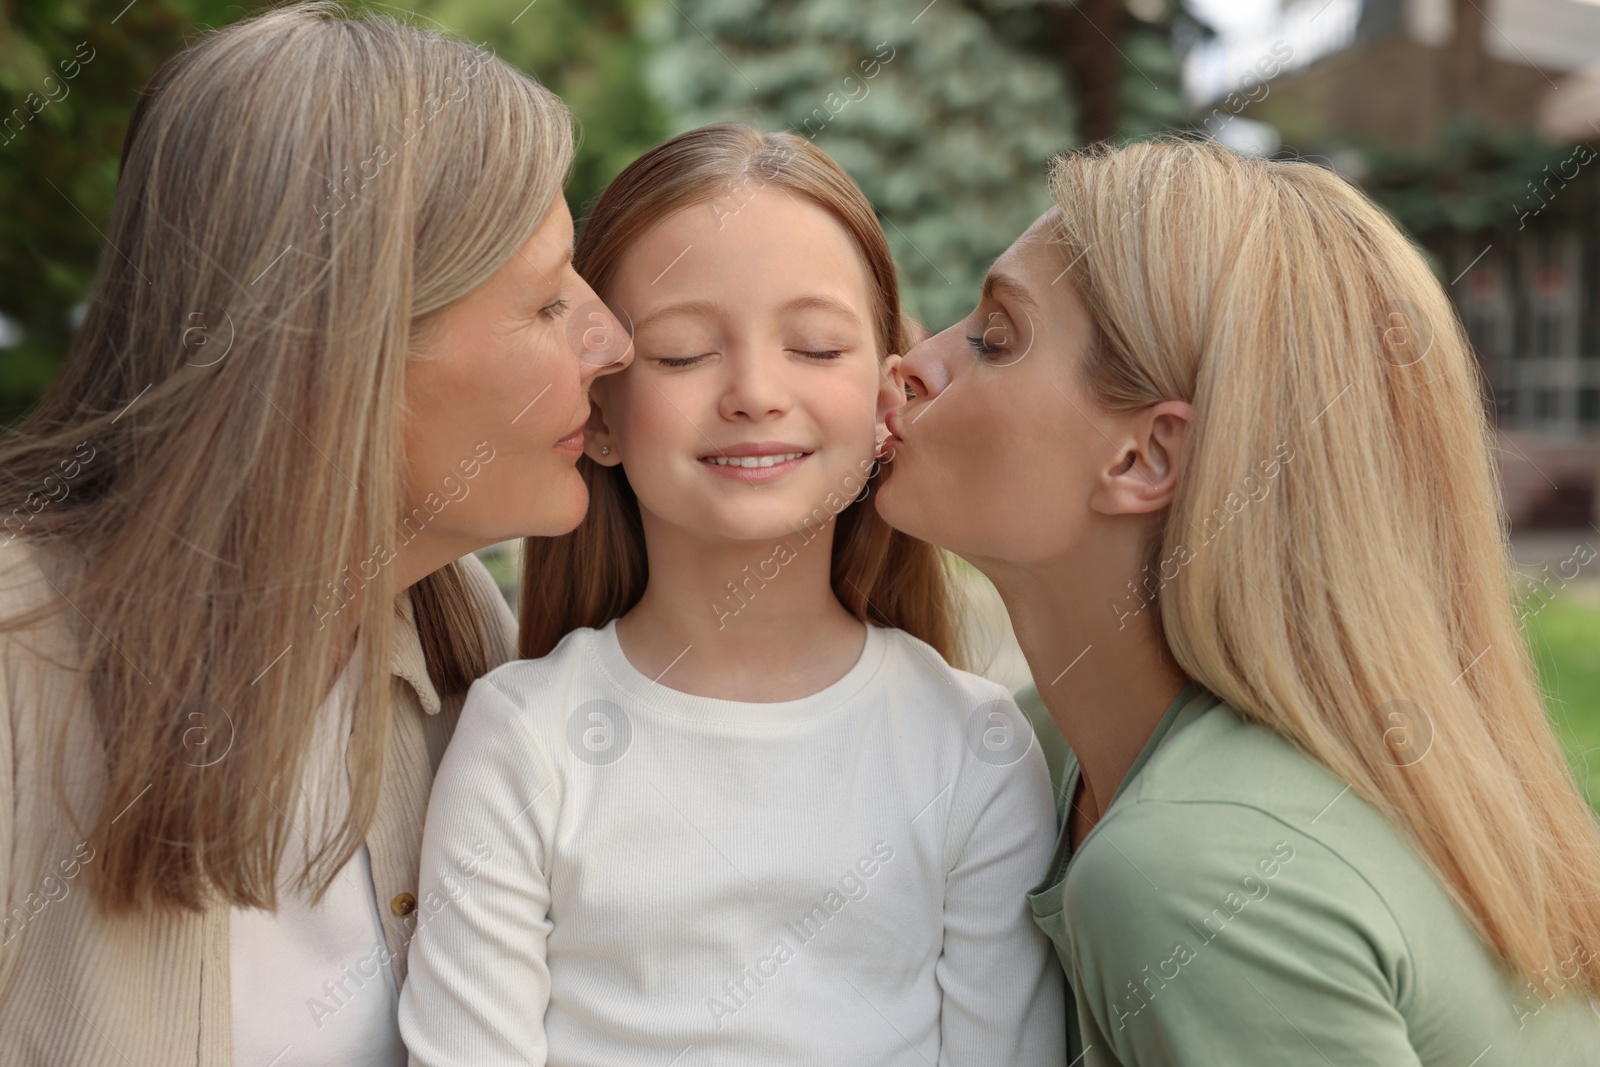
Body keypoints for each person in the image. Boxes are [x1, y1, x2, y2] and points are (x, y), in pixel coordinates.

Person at [875, 136, 1600, 1064]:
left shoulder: (1192, 869)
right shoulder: (1040, 752)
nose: (913, 363)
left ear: (1146, 457)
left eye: (996, 338)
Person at [0, 6, 629, 1065]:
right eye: (544, 301)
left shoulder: (459, 631)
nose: (612, 339)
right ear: (349, 351)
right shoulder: (21, 656)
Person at [397, 123, 1066, 1066]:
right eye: (679, 354)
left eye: (817, 347)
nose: (754, 390)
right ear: (600, 416)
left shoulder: (977, 749)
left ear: (887, 400)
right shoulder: (522, 734)